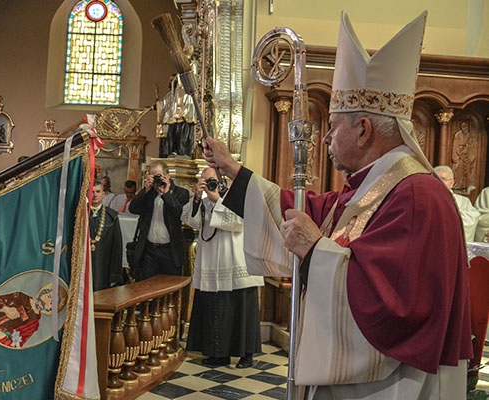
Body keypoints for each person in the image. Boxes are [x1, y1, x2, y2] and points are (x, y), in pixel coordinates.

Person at [203, 11, 471, 398]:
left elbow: (394, 304)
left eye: (333, 126)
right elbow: (302, 209)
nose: (326, 138)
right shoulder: (370, 186)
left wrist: (315, 249)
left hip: (394, 384)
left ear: (363, 130)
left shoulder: (417, 196)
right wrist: (233, 169)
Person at [181, 168, 263, 369]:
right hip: (210, 261)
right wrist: (197, 198)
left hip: (235, 261)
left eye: (211, 180)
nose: (208, 184)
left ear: (221, 181)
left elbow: (238, 222)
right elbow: (190, 220)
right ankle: (218, 354)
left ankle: (246, 355)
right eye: (204, 180)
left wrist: (217, 199)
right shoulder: (202, 200)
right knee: (213, 307)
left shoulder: (235, 196)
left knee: (240, 310)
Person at [128, 161, 189, 280]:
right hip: (149, 250)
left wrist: (166, 193)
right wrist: (145, 190)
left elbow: (180, 213)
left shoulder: (181, 193)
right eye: (152, 175)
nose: (155, 179)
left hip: (170, 251)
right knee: (147, 285)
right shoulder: (149, 193)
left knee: (169, 286)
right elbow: (133, 208)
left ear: (167, 176)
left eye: (158, 176)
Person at [0, 284, 68, 348]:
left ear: (50, 309)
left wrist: (4, 337)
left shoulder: (34, 323)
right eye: (48, 296)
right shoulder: (20, 296)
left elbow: (19, 341)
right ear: (42, 293)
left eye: (51, 303)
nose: (46, 301)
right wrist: (5, 309)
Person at [89, 180, 123, 291]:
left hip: (104, 263)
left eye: (98, 191)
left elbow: (117, 246)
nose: (95, 195)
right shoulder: (80, 215)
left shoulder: (111, 216)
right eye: (92, 191)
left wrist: (115, 274)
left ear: (103, 194)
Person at [435, 165, 479, 243]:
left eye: (443, 179)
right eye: (435, 178)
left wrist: (447, 216)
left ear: (452, 183)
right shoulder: (425, 199)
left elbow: (472, 219)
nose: (439, 182)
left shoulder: (463, 201)